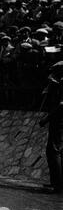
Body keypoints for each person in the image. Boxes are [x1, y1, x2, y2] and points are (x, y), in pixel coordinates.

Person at [39, 61, 63, 193]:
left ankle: (57, 184)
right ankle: (57, 182)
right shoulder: (57, 84)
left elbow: (61, 105)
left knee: (54, 151)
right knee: (58, 151)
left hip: (59, 121)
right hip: (58, 120)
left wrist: (46, 118)